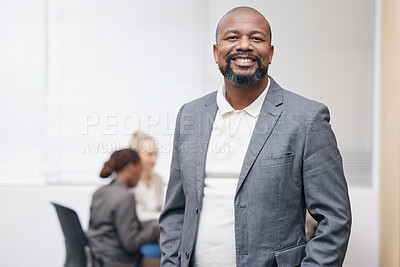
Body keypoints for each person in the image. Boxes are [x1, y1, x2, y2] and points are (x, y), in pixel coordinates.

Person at [159, 6, 352, 267]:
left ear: (270, 53)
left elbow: (335, 219)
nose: (244, 46)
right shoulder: (190, 115)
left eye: (257, 38)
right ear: (216, 53)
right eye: (232, 37)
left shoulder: (307, 119)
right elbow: (175, 211)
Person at [87, 149, 160, 267]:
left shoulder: (99, 192)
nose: (140, 175)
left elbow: (119, 226)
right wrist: (157, 227)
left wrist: (153, 223)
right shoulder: (126, 197)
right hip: (121, 262)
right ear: (131, 167)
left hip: (99, 259)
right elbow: (131, 244)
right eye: (140, 169)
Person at [129, 131, 164, 259]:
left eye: (156, 154)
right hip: (141, 238)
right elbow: (139, 215)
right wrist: (163, 217)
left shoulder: (158, 179)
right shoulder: (132, 182)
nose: (154, 159)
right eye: (149, 154)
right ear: (137, 156)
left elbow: (164, 207)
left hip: (158, 235)